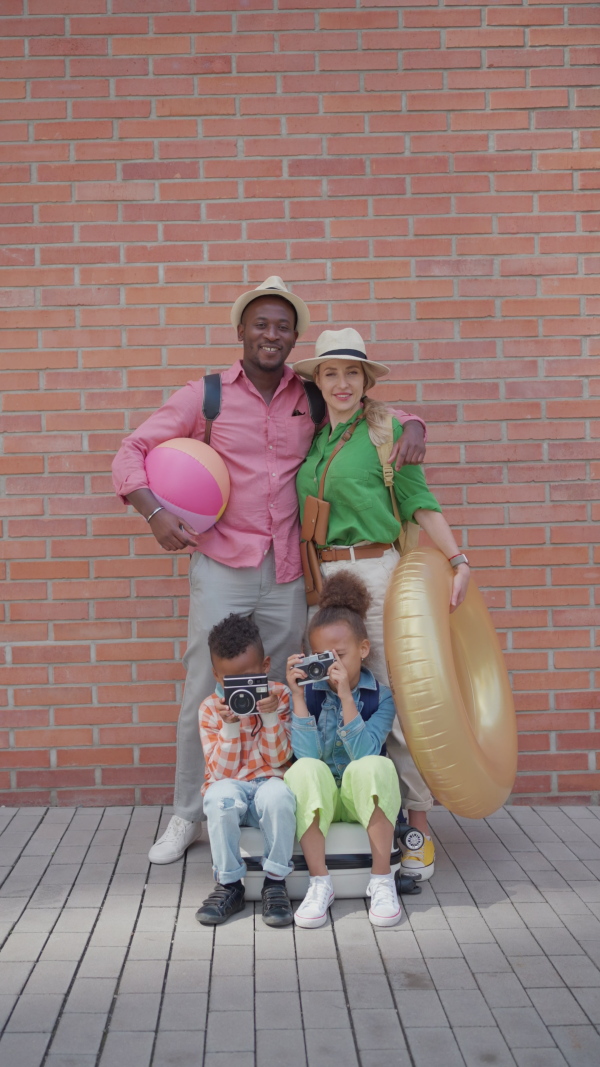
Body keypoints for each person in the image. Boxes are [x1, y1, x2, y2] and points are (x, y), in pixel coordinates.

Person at [112, 278, 426, 864]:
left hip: (287, 573)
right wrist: (154, 514)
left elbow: (370, 410)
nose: (272, 334)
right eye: (262, 324)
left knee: (283, 694)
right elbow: (129, 453)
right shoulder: (205, 395)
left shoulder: (307, 395)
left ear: (294, 337)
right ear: (241, 332)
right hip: (222, 564)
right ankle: (187, 815)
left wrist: (414, 425)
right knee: (205, 692)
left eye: (283, 326)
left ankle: (273, 809)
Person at [294, 328, 471, 883]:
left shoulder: (387, 431)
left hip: (376, 570)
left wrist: (458, 557)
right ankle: (351, 813)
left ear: (366, 381)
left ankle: (416, 826)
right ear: (318, 382)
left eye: (352, 373)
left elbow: (418, 501)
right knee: (333, 693)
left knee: (392, 696)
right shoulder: (317, 439)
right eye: (330, 373)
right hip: (324, 577)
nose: (341, 383)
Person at [285, 571, 402, 929]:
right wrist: (299, 698)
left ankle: (382, 881)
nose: (333, 664)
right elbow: (307, 759)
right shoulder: (312, 691)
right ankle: (320, 884)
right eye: (324, 656)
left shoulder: (381, 697)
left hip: (356, 798)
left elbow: (366, 752)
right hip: (324, 799)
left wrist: (347, 698)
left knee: (377, 767)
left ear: (364, 650)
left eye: (342, 654)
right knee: (302, 771)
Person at [195, 612, 296, 927]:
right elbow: (221, 775)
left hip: (268, 784)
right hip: (232, 787)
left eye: (248, 680)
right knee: (218, 798)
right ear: (216, 674)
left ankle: (275, 882)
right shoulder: (211, 708)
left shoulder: (279, 695)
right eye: (230, 681)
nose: (239, 690)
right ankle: (229, 884)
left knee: (281, 795)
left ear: (265, 667)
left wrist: (269, 717)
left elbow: (280, 759)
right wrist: (229, 727)